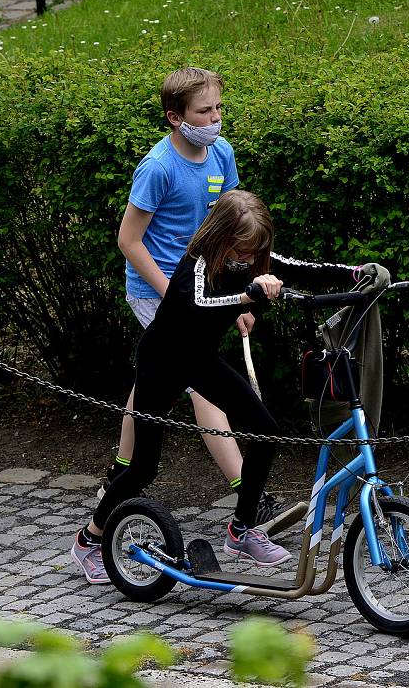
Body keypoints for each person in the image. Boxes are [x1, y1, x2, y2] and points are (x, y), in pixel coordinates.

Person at [72, 190, 367, 582]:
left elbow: (302, 267)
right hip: (162, 362)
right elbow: (200, 304)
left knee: (267, 431)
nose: (248, 259)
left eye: (254, 252)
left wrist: (356, 273)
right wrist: (249, 296)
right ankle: (89, 539)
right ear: (221, 236)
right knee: (143, 468)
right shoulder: (196, 265)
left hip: (200, 361)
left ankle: (242, 530)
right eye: (242, 250)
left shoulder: (252, 260)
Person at [104, 67, 286, 528]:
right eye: (204, 111)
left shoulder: (221, 153)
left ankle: (119, 473)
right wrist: (175, 299)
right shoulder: (158, 168)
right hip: (158, 289)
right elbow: (129, 241)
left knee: (151, 381)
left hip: (207, 287)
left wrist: (240, 299)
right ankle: (244, 487)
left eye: (218, 108)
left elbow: (236, 231)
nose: (215, 118)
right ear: (175, 117)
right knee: (199, 381)